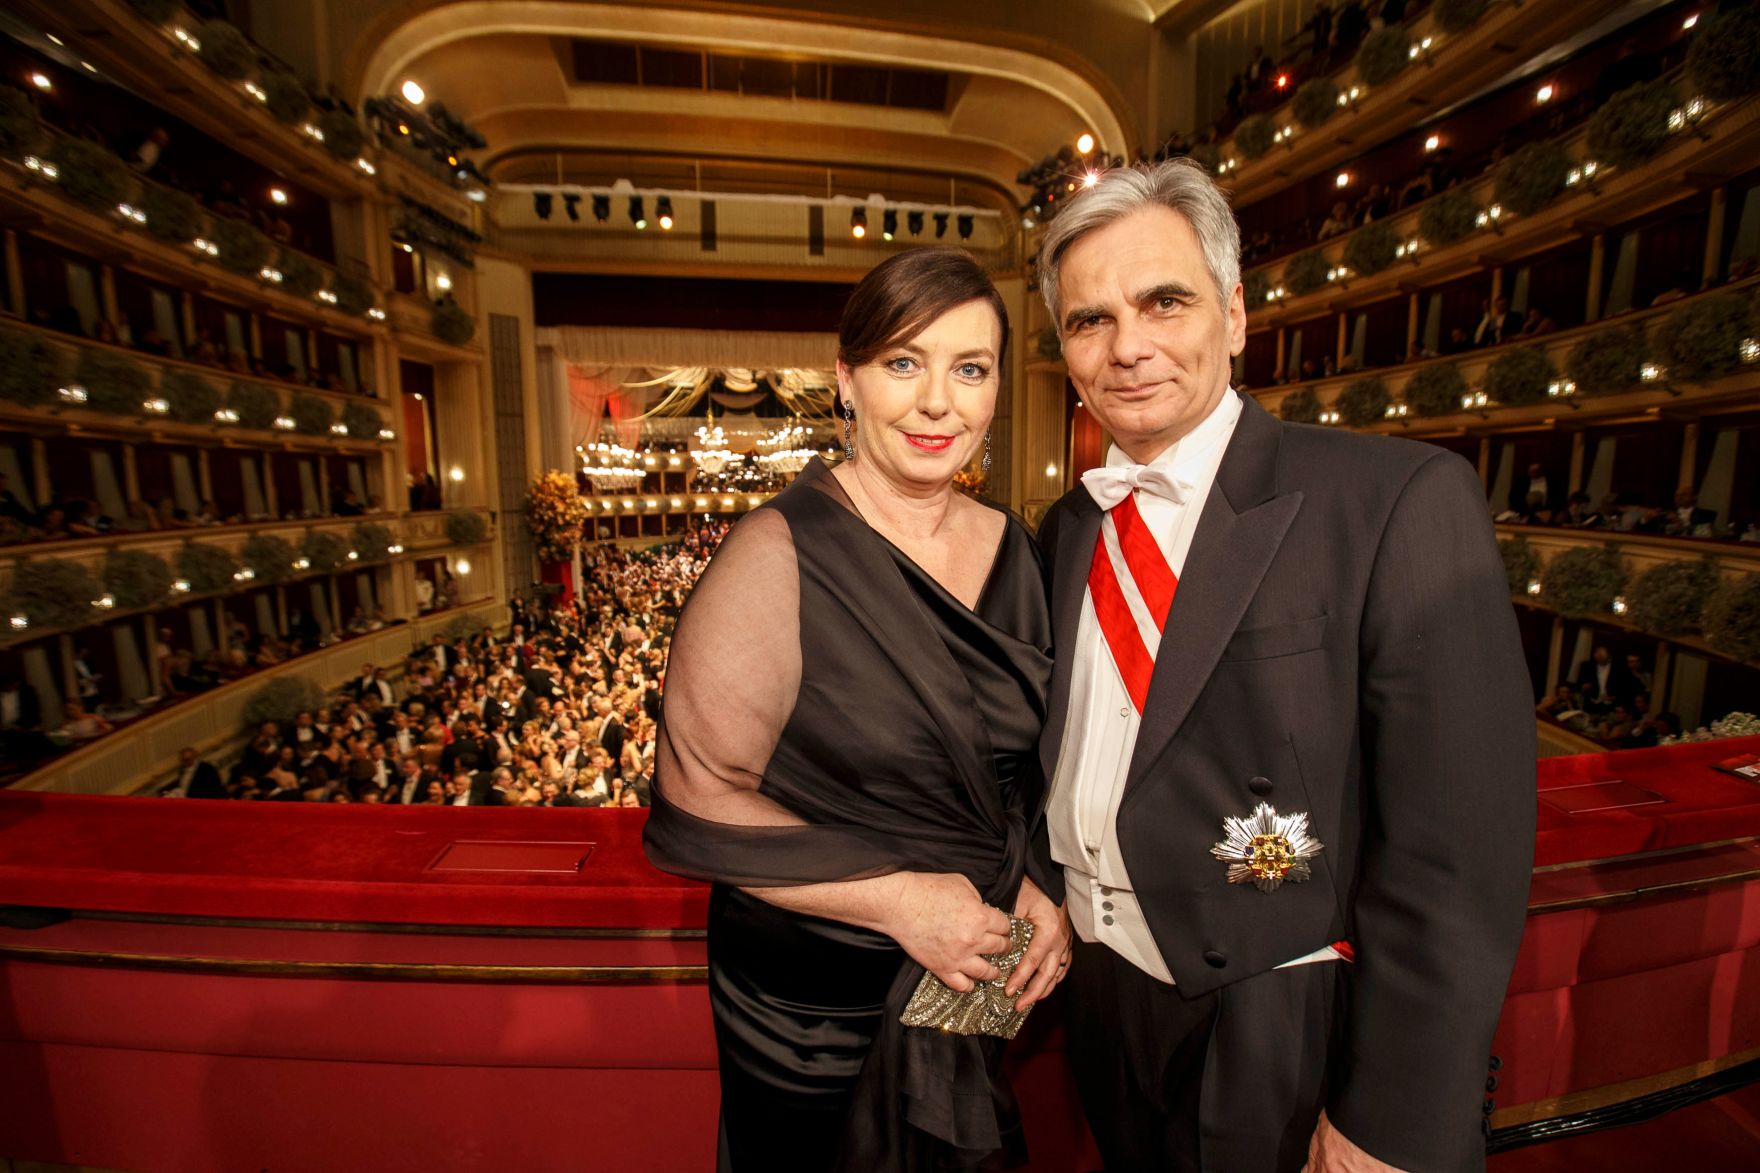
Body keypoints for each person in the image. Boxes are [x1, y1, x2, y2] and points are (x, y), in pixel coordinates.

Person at [1031, 160, 1533, 1172]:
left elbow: (1456, 852)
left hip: (1278, 1017)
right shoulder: (1067, 528)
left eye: (1161, 301)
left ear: (1233, 316)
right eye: (1088, 321)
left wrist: (1390, 1119)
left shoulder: (1393, 499)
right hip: (1099, 999)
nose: (1126, 347)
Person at [643, 247, 1069, 1171]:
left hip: (970, 977)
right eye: (902, 363)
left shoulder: (1022, 553)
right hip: (813, 1000)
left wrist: (1040, 879)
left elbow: (1034, 773)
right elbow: (697, 798)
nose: (937, 402)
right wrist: (900, 903)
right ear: (847, 378)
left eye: (970, 368)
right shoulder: (776, 554)